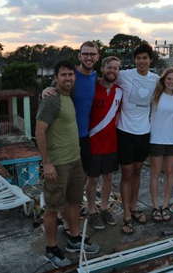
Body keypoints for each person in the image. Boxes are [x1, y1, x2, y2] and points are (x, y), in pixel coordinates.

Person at [36, 60, 99, 268]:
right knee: (53, 208)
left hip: (74, 160)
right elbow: (40, 131)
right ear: (55, 78)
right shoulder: (51, 99)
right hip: (58, 164)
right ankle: (51, 249)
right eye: (63, 75)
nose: (68, 78)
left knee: (73, 202)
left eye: (71, 74)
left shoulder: (67, 95)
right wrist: (47, 163)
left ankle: (74, 238)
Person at [116, 42, 159, 234]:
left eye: (145, 58)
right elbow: (102, 81)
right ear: (134, 60)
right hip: (124, 131)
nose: (141, 61)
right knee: (126, 173)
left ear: (150, 60)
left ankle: (134, 206)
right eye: (138, 58)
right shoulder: (124, 75)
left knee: (138, 170)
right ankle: (126, 213)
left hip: (144, 132)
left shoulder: (156, 79)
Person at [85, 56, 122, 229]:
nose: (112, 71)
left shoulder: (120, 91)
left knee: (108, 177)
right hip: (92, 142)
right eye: (110, 67)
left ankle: (104, 208)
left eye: (116, 68)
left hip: (111, 143)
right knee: (92, 179)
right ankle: (91, 211)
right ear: (102, 68)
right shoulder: (92, 88)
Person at [148, 67, 173, 222]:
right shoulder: (155, 95)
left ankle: (165, 205)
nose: (171, 82)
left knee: (170, 173)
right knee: (155, 173)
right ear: (164, 79)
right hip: (156, 138)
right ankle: (156, 206)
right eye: (169, 79)